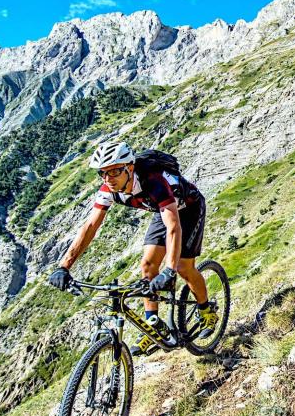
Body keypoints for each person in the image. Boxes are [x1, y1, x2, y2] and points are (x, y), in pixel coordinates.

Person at [47, 140, 218, 356]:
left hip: (188, 208)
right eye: (103, 173)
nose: (108, 179)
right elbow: (90, 226)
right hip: (162, 210)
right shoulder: (108, 189)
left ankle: (206, 310)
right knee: (147, 265)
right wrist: (64, 266)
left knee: (184, 267)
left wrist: (169, 270)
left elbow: (174, 227)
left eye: (115, 171)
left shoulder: (156, 182)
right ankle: (152, 327)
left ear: (129, 167)